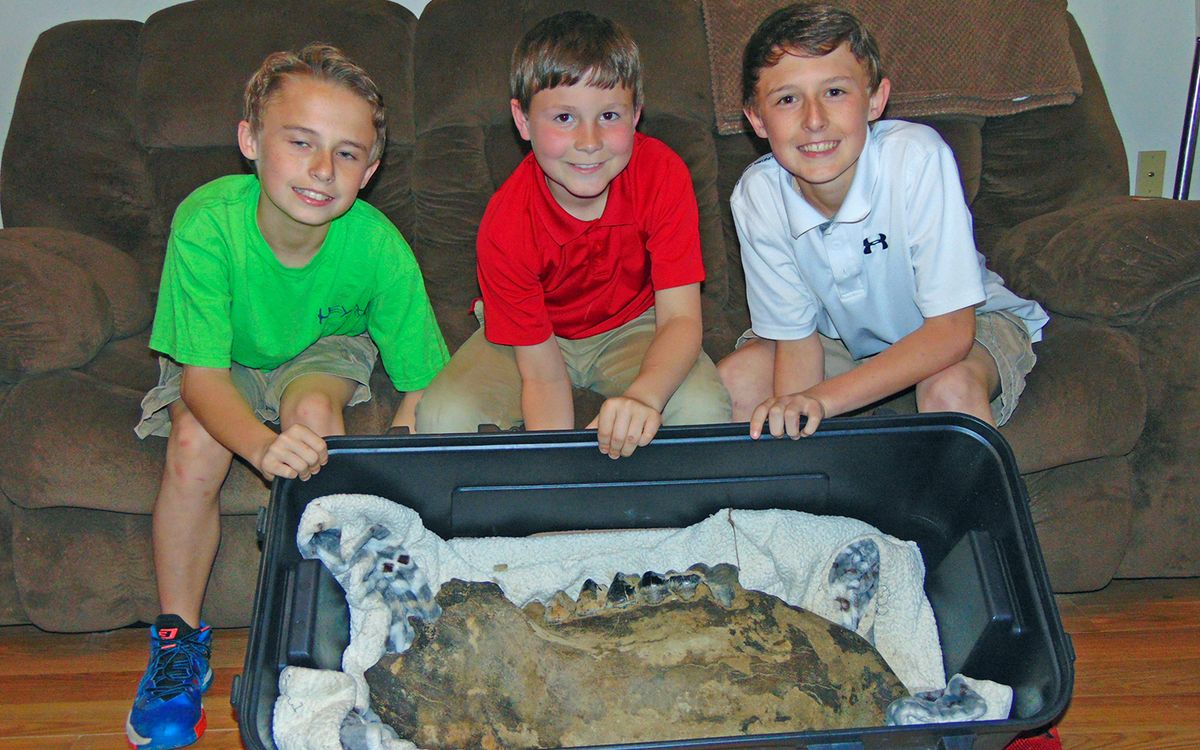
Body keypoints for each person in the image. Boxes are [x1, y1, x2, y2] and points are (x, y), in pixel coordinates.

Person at [126, 43, 448, 749]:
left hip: (322, 354)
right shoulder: (206, 222)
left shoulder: (378, 246)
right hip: (222, 355)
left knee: (317, 420)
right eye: (300, 142)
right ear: (250, 140)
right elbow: (203, 380)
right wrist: (262, 448)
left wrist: (403, 455)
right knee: (194, 443)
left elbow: (424, 379)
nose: (320, 170)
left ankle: (328, 631)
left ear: (370, 170)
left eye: (345, 153)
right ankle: (177, 641)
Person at [718, 3, 1048, 440]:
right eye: (788, 99)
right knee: (738, 378)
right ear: (757, 119)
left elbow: (951, 333)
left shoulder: (917, 158)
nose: (814, 120)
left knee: (948, 390)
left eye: (835, 92)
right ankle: (779, 508)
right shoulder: (757, 196)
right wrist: (795, 422)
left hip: (965, 324)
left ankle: (981, 507)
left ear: (875, 100)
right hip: (841, 340)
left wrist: (823, 401)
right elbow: (797, 346)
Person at [415, 10, 731, 458]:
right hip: (532, 336)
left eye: (608, 115)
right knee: (444, 416)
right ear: (523, 122)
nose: (588, 141)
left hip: (635, 323)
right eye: (563, 118)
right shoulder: (506, 224)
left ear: (636, 115)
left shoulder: (663, 174)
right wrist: (559, 479)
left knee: (702, 407)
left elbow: (681, 319)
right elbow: (543, 377)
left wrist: (644, 396)